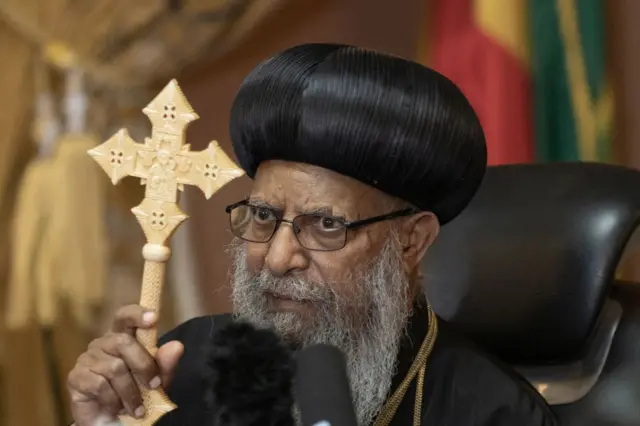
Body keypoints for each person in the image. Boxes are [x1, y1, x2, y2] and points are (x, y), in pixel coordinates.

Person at [67, 43, 558, 426]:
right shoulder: (182, 367)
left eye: (326, 225)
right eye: (262, 215)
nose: (278, 257)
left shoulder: (492, 413)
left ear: (411, 241)